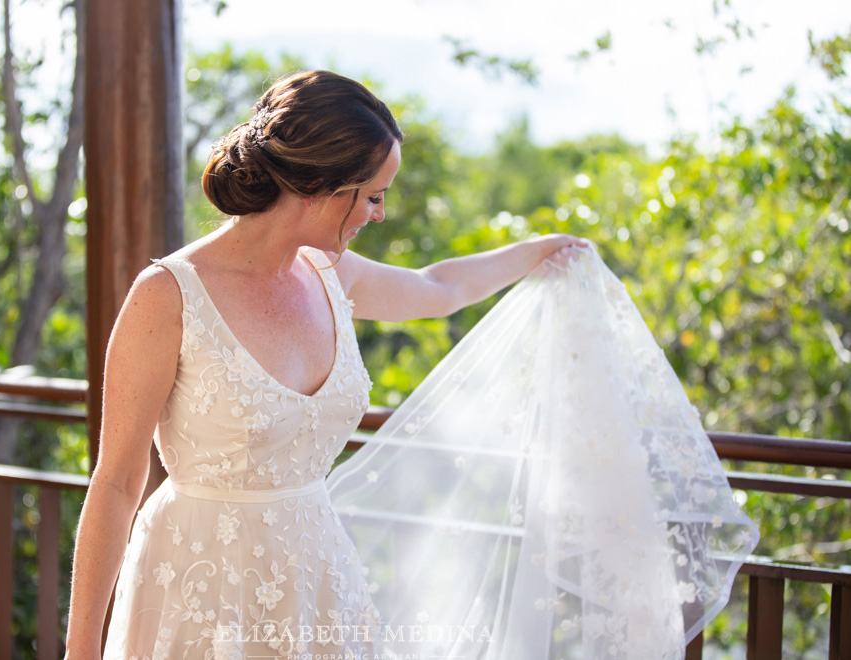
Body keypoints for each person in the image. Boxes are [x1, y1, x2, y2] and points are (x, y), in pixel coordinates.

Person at [64, 69, 586, 659]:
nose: (380, 214)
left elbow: (436, 287)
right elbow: (114, 483)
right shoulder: (167, 295)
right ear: (316, 185)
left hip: (318, 585)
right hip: (200, 591)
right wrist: (81, 649)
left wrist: (540, 250)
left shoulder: (330, 272)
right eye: (371, 195)